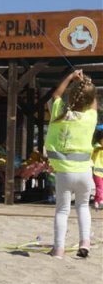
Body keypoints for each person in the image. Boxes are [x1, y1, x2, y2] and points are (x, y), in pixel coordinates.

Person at [45, 69, 98, 259]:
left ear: (72, 97)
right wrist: (87, 84)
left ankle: (58, 249)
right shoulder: (90, 118)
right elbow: (93, 104)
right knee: (83, 207)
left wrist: (71, 77)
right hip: (84, 172)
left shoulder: (59, 113)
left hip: (64, 172)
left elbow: (56, 95)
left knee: (62, 210)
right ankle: (85, 242)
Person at [92, 127, 103, 210]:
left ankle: (97, 200)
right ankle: (100, 200)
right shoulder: (96, 147)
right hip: (97, 172)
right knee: (99, 186)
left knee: (100, 187)